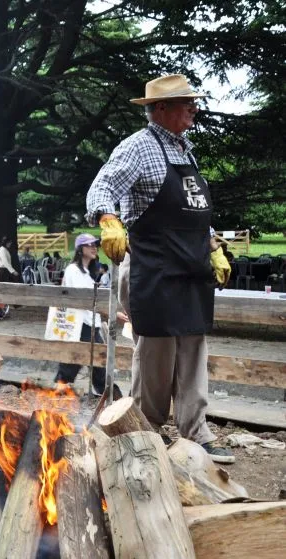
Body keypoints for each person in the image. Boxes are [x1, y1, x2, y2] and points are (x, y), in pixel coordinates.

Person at [86, 74, 233, 463]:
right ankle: (145, 428)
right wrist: (108, 220)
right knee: (156, 349)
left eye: (192, 102)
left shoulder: (187, 151)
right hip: (152, 265)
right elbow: (102, 188)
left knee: (194, 345)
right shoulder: (138, 147)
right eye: (186, 103)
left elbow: (195, 214)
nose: (194, 108)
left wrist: (214, 246)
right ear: (161, 110)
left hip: (192, 266)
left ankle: (195, 432)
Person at [53, 234, 107, 394]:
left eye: (95, 244)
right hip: (80, 323)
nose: (94, 247)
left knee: (94, 360)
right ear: (80, 249)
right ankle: (61, 390)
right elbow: (82, 299)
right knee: (76, 358)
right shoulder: (73, 270)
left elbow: (94, 298)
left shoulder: (89, 273)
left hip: (92, 322)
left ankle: (103, 393)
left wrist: (110, 311)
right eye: (89, 244)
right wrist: (106, 310)